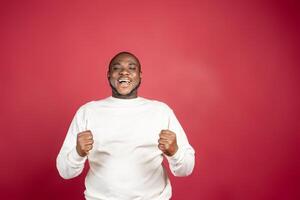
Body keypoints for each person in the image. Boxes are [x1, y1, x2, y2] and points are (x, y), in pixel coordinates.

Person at [56, 52, 195, 200]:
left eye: (132, 67)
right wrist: (78, 153)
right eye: (117, 68)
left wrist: (174, 152)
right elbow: (65, 172)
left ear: (140, 75)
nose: (124, 72)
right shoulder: (87, 112)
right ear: (109, 75)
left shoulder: (161, 111)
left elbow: (186, 169)